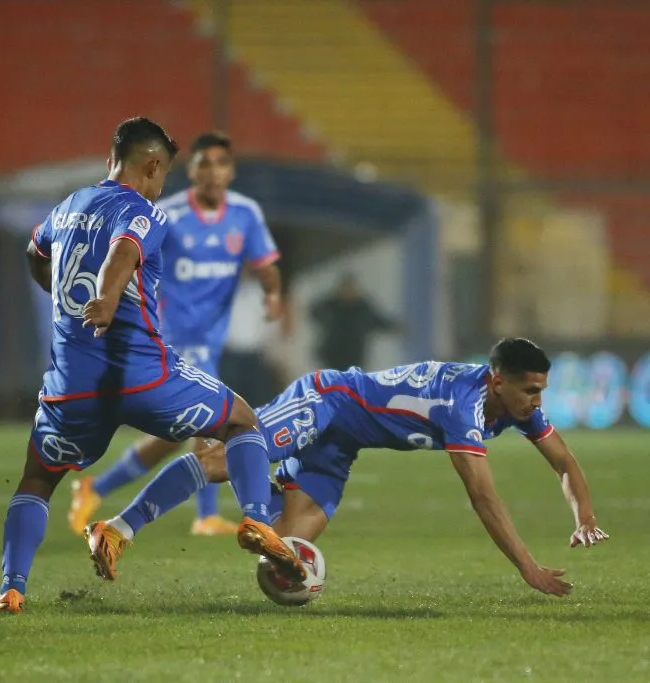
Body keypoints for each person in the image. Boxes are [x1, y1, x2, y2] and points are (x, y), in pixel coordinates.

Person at [0, 117, 303, 615]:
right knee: (241, 421)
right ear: (153, 165)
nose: (161, 185)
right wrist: (107, 299)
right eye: (164, 174)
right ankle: (257, 518)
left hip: (71, 387)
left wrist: (59, 291)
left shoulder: (68, 206)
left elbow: (34, 253)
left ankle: (11, 588)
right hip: (143, 376)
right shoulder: (145, 211)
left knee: (38, 482)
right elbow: (124, 250)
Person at [88, 338, 608, 597]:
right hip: (329, 400)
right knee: (222, 459)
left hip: (344, 445)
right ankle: (116, 529)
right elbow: (483, 497)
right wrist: (527, 568)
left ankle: (263, 506)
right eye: (531, 390)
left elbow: (565, 461)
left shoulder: (515, 409)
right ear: (498, 382)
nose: (537, 401)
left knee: (287, 555)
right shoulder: (462, 407)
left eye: (541, 391)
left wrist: (583, 516)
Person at [68, 132, 282, 538]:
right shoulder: (165, 214)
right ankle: (205, 515)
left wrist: (273, 293)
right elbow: (125, 254)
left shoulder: (245, 214)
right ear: (193, 170)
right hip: (170, 336)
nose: (213, 171)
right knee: (214, 421)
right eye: (204, 163)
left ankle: (97, 487)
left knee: (175, 436)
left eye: (221, 163)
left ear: (231, 170)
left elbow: (266, 262)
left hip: (211, 340)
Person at [310, 273, 397, 371]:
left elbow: (377, 321)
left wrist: (395, 327)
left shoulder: (363, 307)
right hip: (332, 356)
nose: (348, 292)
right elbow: (314, 312)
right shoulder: (330, 305)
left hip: (355, 357)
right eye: (345, 288)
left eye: (351, 288)